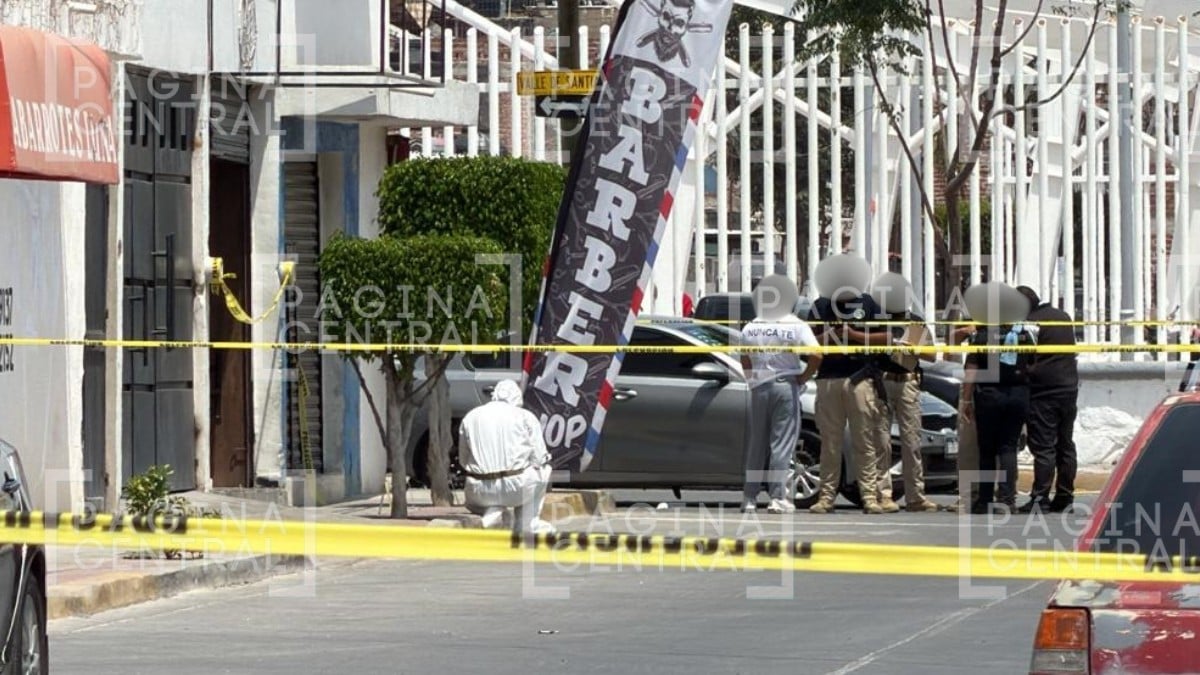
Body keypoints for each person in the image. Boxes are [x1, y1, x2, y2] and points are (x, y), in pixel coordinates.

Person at [806, 254, 887, 515]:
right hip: (829, 378)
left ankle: (870, 497)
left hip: (859, 379)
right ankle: (826, 497)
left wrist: (852, 335)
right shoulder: (820, 306)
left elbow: (886, 337)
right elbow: (808, 341)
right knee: (830, 443)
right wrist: (832, 336)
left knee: (865, 441)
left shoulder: (869, 303)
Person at [738, 275, 823, 514]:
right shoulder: (795, 325)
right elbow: (816, 355)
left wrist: (752, 379)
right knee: (781, 444)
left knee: (757, 444)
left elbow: (744, 357)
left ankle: (749, 497)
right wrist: (804, 377)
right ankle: (777, 497)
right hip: (785, 384)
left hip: (759, 387)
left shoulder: (752, 325)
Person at [868, 272, 940, 513]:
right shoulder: (878, 320)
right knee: (882, 441)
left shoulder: (914, 322)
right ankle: (883, 494)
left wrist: (913, 347)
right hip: (883, 380)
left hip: (908, 380)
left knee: (912, 441)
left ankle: (915, 496)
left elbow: (931, 355)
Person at [962, 283, 1036, 514]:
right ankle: (1006, 499)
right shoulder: (1023, 333)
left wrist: (966, 399)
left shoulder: (985, 332)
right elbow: (1033, 363)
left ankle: (984, 499)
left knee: (987, 449)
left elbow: (972, 367)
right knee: (1008, 447)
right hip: (1017, 393)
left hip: (990, 395)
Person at [458, 379, 556, 534]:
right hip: (516, 489)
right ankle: (527, 523)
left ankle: (494, 509)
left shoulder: (471, 416)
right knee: (545, 469)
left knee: (495, 489)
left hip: (477, 492)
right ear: (517, 398)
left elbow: (463, 461)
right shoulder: (525, 416)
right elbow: (539, 458)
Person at [1015, 286, 1079, 513]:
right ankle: (1065, 495)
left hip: (1043, 391)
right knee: (1065, 444)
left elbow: (1022, 355)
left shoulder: (1030, 322)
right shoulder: (1063, 316)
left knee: (1043, 447)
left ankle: (1040, 497)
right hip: (1069, 389)